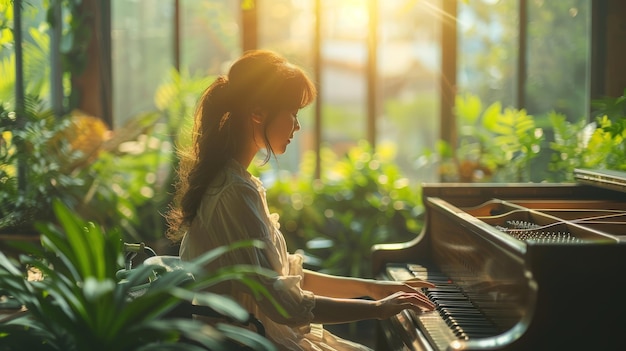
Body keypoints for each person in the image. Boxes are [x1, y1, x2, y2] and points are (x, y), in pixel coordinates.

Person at [166, 49, 435, 351]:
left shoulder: (237, 183)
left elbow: (289, 278)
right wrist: (377, 309)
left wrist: (373, 289)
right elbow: (284, 305)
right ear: (258, 113)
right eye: (293, 113)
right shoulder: (234, 192)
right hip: (251, 342)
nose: (298, 126)